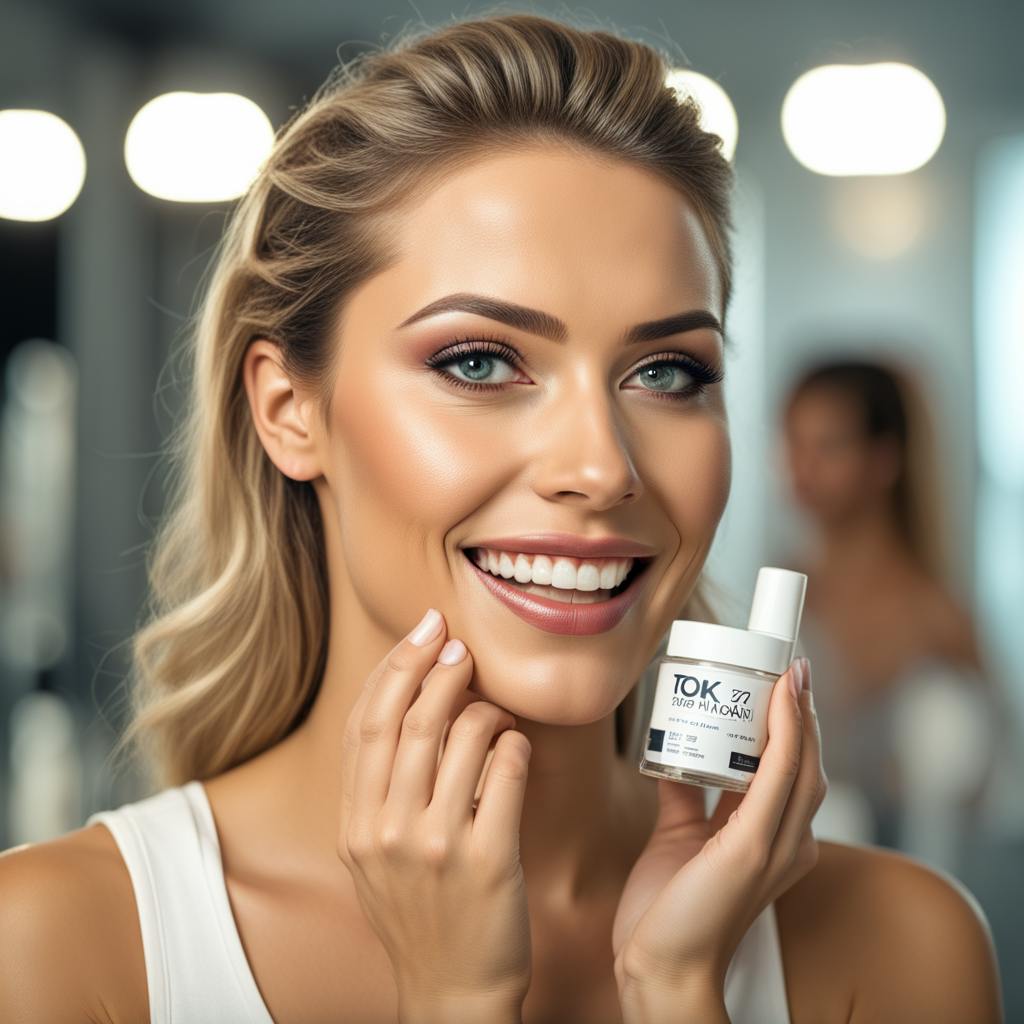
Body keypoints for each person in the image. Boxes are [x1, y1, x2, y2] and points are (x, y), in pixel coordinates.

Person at [0, 14, 1003, 1023]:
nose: (601, 467)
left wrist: (679, 988)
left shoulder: (900, 950)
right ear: (288, 410)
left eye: (665, 372)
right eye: (477, 361)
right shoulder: (57, 949)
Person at [781, 358, 1007, 868]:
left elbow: (992, 795)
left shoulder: (940, 618)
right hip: (798, 890)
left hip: (925, 885)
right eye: (793, 443)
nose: (801, 467)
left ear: (884, 459)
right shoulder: (779, 595)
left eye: (828, 445)